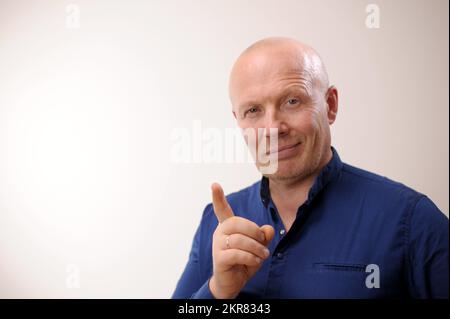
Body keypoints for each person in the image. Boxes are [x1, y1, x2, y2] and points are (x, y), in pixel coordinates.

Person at [172, 37, 449, 299]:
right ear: (238, 121)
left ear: (330, 105)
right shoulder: (217, 223)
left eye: (292, 101)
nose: (272, 129)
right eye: (253, 111)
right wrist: (218, 290)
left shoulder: (411, 220)